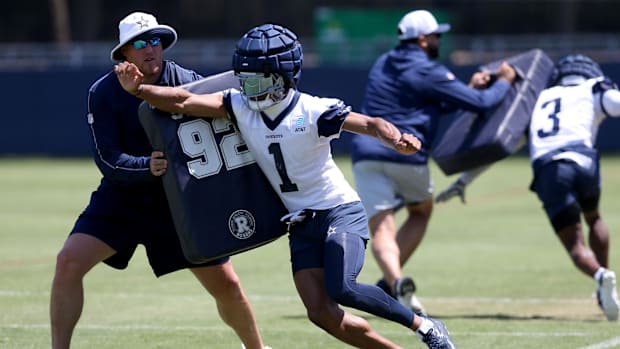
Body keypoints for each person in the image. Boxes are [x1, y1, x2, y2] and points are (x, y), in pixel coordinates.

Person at [116, 23, 458, 349]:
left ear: (280, 79)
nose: (246, 87)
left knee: (344, 288)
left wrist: (397, 139)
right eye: (244, 79)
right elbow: (180, 101)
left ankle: (426, 327)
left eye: (254, 80)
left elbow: (370, 123)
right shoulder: (239, 106)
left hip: (338, 211)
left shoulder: (312, 110)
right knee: (321, 313)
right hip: (301, 220)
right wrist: (139, 90)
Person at [50, 12, 270, 349]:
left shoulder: (187, 81)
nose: (150, 48)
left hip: (180, 202)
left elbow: (222, 127)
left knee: (228, 284)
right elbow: (107, 158)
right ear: (124, 53)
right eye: (139, 43)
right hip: (123, 200)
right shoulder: (103, 92)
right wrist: (144, 166)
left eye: (155, 40)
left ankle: (256, 348)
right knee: (68, 262)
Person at [349, 9, 517, 314]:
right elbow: (481, 105)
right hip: (407, 152)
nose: (440, 39)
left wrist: (469, 88)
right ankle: (392, 283)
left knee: (382, 228)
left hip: (366, 152)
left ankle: (394, 280)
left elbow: (425, 101)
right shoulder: (428, 70)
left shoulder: (383, 63)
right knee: (421, 211)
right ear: (424, 39)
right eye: (437, 35)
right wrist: (503, 82)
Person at [436, 53, 620, 322]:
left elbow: (505, 144)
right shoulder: (594, 87)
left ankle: (600, 276)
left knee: (575, 245)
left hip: (550, 169)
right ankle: (604, 280)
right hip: (584, 160)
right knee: (594, 217)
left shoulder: (539, 100)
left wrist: (463, 181)